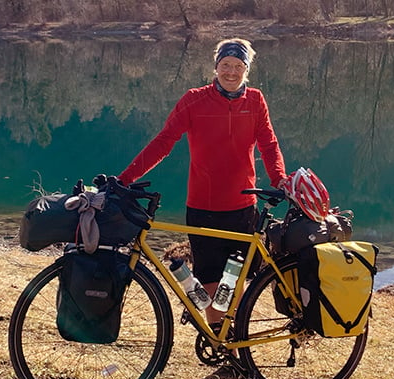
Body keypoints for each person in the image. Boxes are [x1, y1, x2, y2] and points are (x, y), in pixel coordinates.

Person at [118, 38, 287, 325]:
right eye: (225, 65)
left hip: (243, 203)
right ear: (216, 66)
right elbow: (164, 141)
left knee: (236, 276)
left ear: (247, 69)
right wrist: (125, 179)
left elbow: (268, 145)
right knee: (209, 277)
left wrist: (280, 179)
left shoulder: (256, 100)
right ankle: (218, 335)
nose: (231, 72)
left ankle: (231, 336)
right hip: (203, 205)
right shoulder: (194, 99)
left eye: (238, 66)